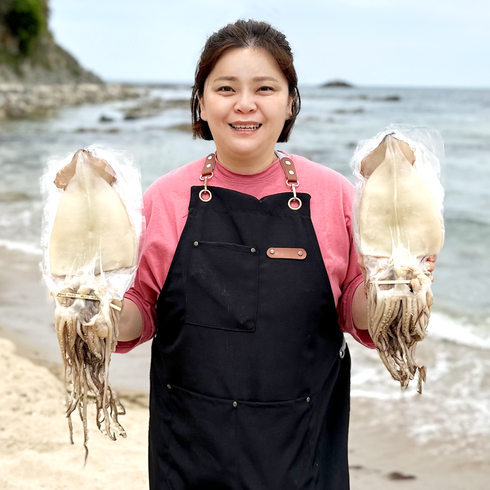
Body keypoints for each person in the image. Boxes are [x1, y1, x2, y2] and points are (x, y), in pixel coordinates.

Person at [115, 19, 436, 490]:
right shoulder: (165, 197)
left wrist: (399, 286)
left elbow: (354, 309)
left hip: (304, 453)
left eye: (265, 87)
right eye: (226, 88)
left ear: (290, 103)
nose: (245, 104)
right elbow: (141, 309)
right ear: (201, 102)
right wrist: (91, 310)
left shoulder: (333, 194)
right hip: (188, 453)